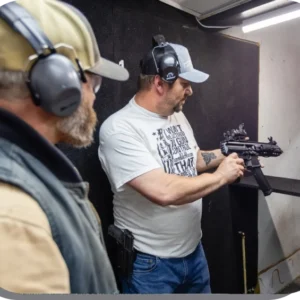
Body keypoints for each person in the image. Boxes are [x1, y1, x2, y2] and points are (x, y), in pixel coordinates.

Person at [98, 35, 245, 294]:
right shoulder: (119, 129)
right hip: (150, 266)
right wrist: (221, 177)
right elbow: (163, 191)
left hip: (193, 252)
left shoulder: (175, 115)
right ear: (159, 82)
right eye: (184, 84)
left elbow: (192, 159)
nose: (190, 91)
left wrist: (227, 152)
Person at [0, 0, 129, 294]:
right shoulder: (15, 219)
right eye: (93, 81)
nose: (94, 97)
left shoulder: (30, 177)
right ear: (56, 81)